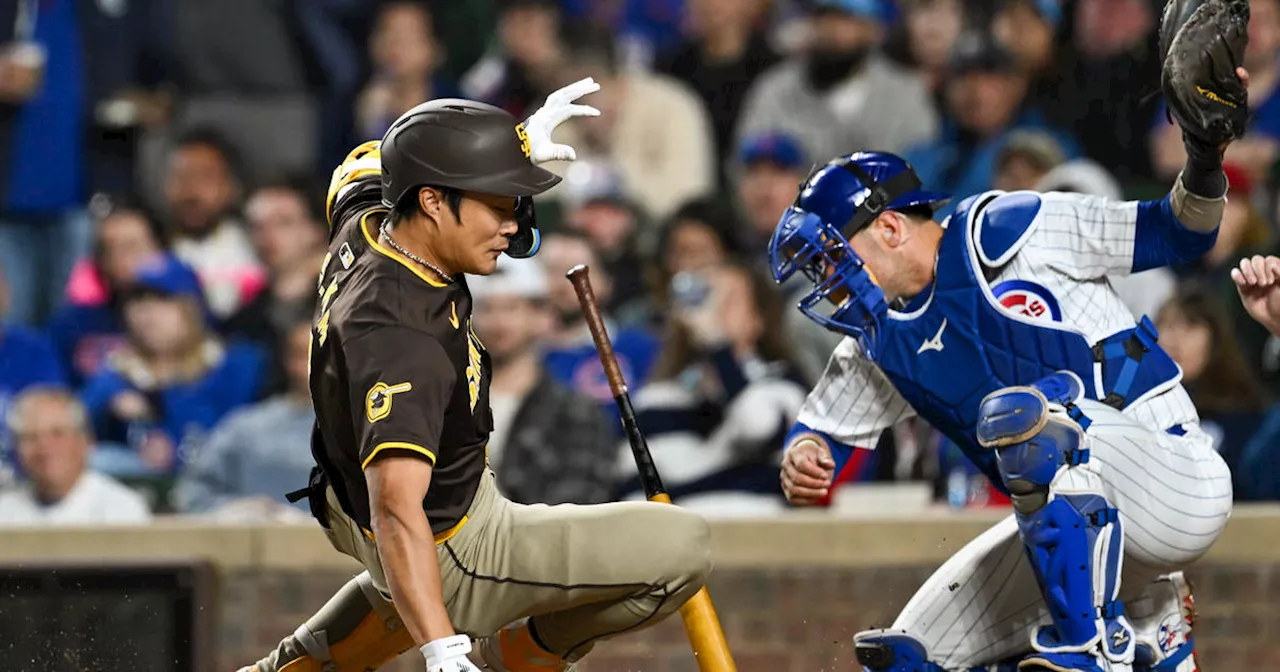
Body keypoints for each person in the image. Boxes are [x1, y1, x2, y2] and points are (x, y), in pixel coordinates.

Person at [768, 59, 1249, 665]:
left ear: (890, 227)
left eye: (833, 259)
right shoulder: (879, 337)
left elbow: (1179, 231)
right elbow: (821, 435)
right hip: (1080, 533)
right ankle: (1149, 629)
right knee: (910, 659)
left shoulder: (1012, 228)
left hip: (1173, 479)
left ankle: (1094, 645)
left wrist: (1205, 158)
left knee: (1030, 421)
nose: (829, 282)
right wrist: (803, 455)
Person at [238, 81, 711, 672]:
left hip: (344, 495)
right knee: (682, 547)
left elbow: (361, 167)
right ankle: (507, 655)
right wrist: (442, 649)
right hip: (447, 538)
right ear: (434, 201)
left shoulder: (369, 225)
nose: (513, 225)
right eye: (497, 204)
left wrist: (508, 151)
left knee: (394, 572)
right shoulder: (401, 336)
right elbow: (396, 511)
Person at [468, 256, 618, 505]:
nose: (498, 321)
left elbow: (578, 507)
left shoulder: (576, 413)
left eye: (511, 308)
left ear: (540, 316)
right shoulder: (444, 405)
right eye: (487, 308)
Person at [0, 386, 151, 526]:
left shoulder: (121, 511)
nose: (44, 448)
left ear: (85, 440)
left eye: (57, 434)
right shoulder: (5, 512)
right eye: (31, 437)